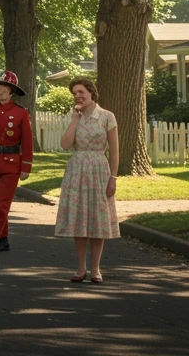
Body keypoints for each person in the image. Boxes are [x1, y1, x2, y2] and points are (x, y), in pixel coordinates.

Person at [54, 76, 120, 283]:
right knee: (79, 219)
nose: (78, 96)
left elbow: (115, 152)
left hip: (99, 170)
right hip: (77, 170)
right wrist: (74, 120)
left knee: (98, 220)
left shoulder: (107, 117)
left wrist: (113, 178)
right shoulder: (74, 116)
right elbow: (65, 145)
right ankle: (81, 268)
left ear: (91, 92)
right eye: (75, 93)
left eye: (81, 92)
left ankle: (96, 269)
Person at [0, 70, 33, 255]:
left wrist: (26, 166)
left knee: (2, 204)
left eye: (5, 88)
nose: (0, 91)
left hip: (12, 164)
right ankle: (4, 239)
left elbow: (27, 142)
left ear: (12, 92)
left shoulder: (20, 113)